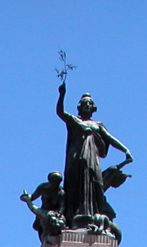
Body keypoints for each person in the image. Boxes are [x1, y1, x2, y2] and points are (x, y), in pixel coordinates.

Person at [56, 82, 132, 230]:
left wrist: (125, 150)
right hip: (76, 158)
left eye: (90, 103)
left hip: (92, 158)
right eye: (85, 103)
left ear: (93, 108)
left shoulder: (98, 125)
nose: (87, 105)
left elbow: (110, 138)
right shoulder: (74, 120)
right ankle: (76, 216)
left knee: (95, 183)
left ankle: (93, 216)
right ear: (79, 106)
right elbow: (60, 112)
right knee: (76, 185)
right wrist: (62, 95)